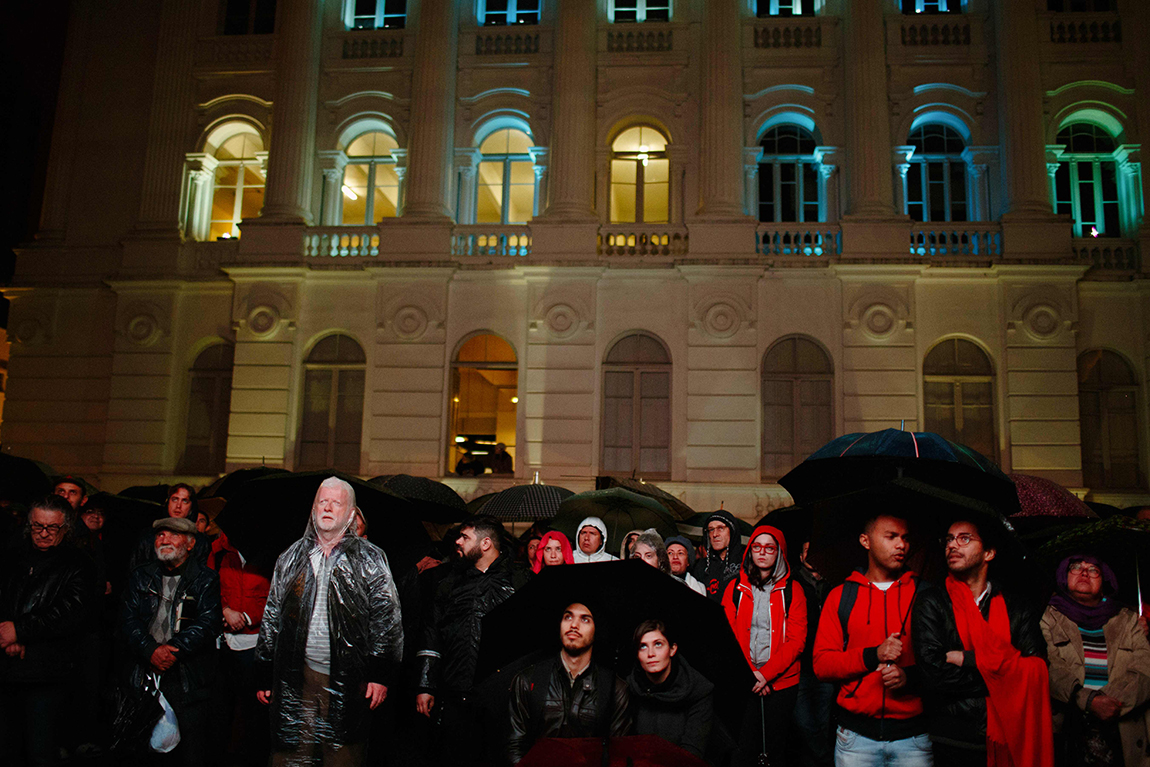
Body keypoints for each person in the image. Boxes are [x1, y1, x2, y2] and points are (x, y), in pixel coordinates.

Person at [255, 477, 402, 767]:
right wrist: (264, 672)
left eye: (336, 503)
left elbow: (387, 619)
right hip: (297, 675)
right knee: (291, 754)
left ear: (350, 514)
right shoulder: (291, 557)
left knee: (342, 755)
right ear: (313, 508)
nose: (328, 507)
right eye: (322, 501)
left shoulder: (370, 558)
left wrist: (380, 673)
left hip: (350, 678)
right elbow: (272, 616)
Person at [913, 519, 1052, 767]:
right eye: (948, 539)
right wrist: (1007, 672)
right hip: (951, 738)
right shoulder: (931, 602)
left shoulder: (1017, 607)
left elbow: (1039, 668)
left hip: (1011, 736)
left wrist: (969, 659)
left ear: (989, 553)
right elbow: (933, 675)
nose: (952, 545)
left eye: (964, 538)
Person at [813, 514, 930, 766]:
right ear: (865, 541)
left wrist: (909, 677)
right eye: (891, 537)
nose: (901, 545)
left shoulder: (924, 595)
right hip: (855, 739)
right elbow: (822, 665)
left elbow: (942, 663)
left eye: (905, 538)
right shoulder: (841, 596)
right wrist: (873, 654)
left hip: (913, 739)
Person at [416, 515, 523, 764]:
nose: (458, 542)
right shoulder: (449, 584)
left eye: (465, 537)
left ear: (485, 543)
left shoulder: (519, 580)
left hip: (502, 698)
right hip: (456, 693)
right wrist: (425, 685)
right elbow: (432, 634)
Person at [0, 494, 97, 767]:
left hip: (48, 672)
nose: (43, 533)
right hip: (7, 668)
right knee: (7, 750)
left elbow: (70, 613)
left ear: (65, 528)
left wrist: (20, 630)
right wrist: (9, 632)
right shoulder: (12, 557)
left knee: (40, 751)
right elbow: (5, 598)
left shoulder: (79, 564)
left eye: (51, 528)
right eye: (37, 526)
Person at [121, 516, 221, 767]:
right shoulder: (140, 576)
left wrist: (171, 652)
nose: (164, 540)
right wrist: (150, 651)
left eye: (173, 535)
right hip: (145, 672)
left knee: (191, 753)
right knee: (144, 750)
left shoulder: (205, 579)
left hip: (187, 676)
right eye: (160, 535)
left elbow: (208, 622)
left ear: (190, 544)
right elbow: (127, 619)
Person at [1041, 554, 1150, 767]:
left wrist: (1111, 702)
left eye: (1093, 569)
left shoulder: (1128, 619)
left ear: (1105, 581)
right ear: (1064, 576)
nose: (1083, 572)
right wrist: (1089, 701)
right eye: (1075, 567)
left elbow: (1145, 666)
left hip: (1122, 730)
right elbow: (1049, 666)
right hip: (1068, 729)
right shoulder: (1047, 617)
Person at [722, 522, 807, 766]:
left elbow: (796, 641)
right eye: (756, 546)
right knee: (743, 748)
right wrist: (752, 675)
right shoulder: (735, 588)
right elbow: (729, 635)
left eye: (769, 548)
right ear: (749, 551)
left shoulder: (794, 591)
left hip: (782, 684)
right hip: (744, 679)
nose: (762, 551)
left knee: (775, 749)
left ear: (780, 553)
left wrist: (766, 675)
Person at [507, 601, 632, 763]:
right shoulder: (528, 680)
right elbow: (515, 745)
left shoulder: (615, 688)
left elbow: (618, 754)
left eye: (585, 619)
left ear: (597, 629)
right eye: (568, 617)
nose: (574, 625)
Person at [209, 531, 272, 766]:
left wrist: (246, 617)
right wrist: (224, 610)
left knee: (252, 714)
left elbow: (276, 599)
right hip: (222, 643)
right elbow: (208, 586)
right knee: (219, 711)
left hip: (254, 645)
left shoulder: (270, 555)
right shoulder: (219, 552)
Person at [627, 619, 714, 760]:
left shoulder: (698, 690)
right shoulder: (629, 688)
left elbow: (692, 754)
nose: (651, 653)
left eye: (658, 644)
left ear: (672, 649)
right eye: (643, 646)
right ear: (637, 654)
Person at [793, 538, 835, 767]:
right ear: (800, 557)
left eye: (815, 550)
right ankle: (828, 760)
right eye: (807, 551)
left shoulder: (833, 585)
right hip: (800, 667)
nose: (811, 555)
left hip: (826, 667)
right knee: (804, 723)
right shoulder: (793, 583)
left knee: (822, 724)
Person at [130, 483, 211, 568]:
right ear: (168, 502)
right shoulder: (148, 535)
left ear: (191, 506)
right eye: (175, 499)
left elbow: (204, 573)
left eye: (184, 501)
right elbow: (135, 569)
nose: (178, 506)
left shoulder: (201, 541)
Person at [694, 509, 745, 602]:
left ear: (732, 531)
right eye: (711, 529)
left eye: (721, 528)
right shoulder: (702, 567)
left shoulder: (746, 562)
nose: (715, 534)